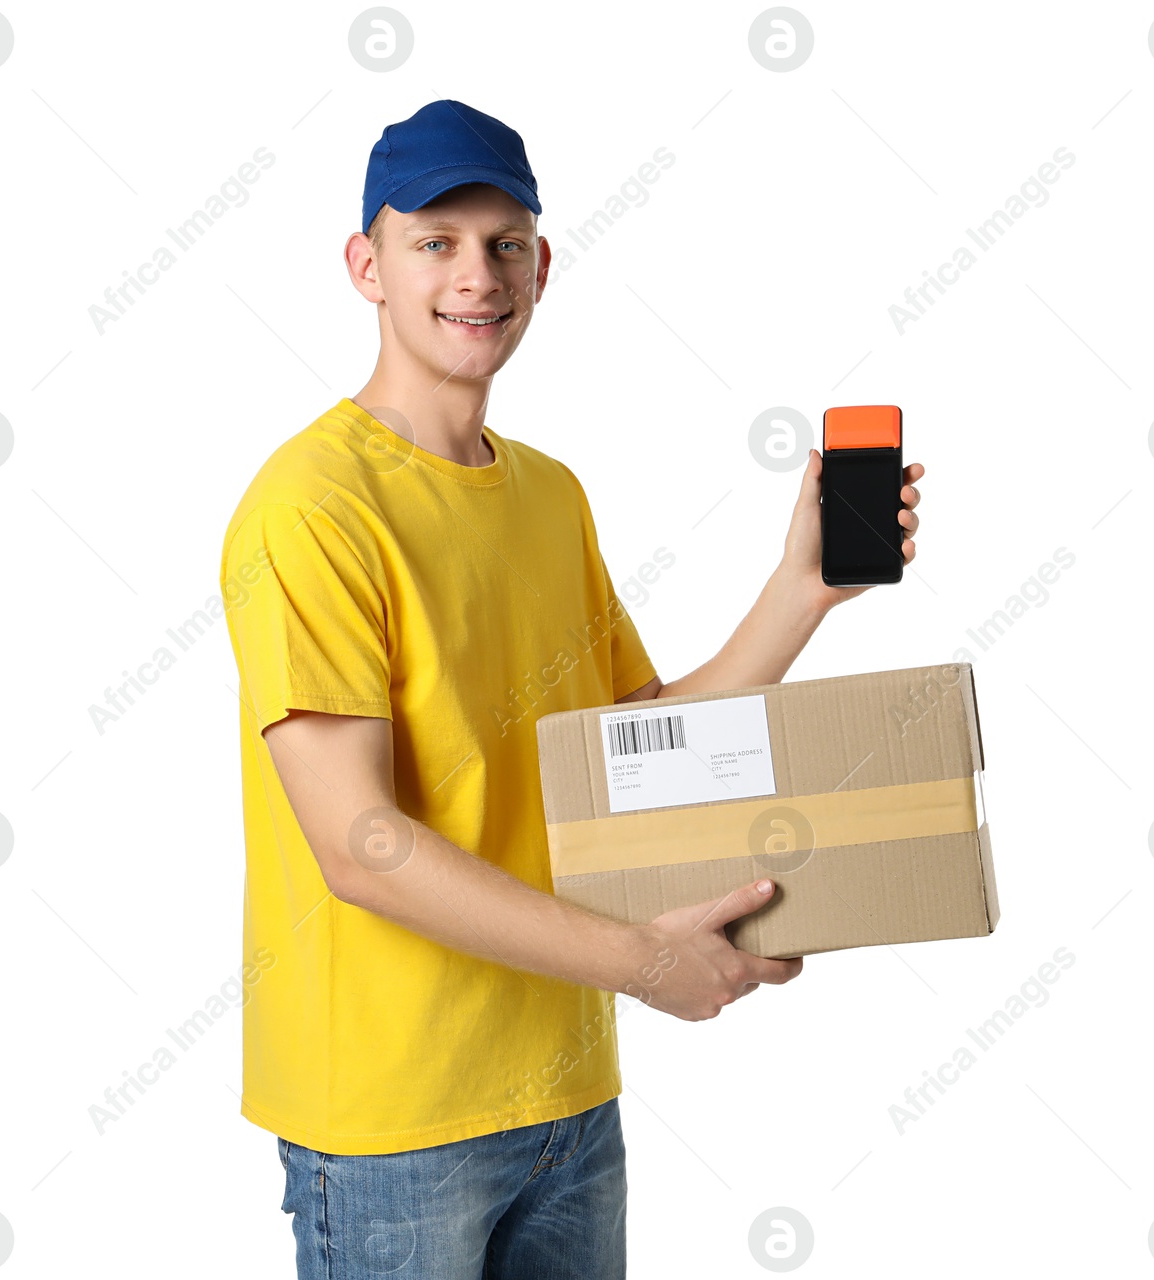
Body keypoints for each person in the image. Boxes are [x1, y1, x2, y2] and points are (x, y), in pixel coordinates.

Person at [218, 98, 924, 1280]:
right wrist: (646, 963)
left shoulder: (547, 495)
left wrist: (800, 588)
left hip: (565, 1093)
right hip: (394, 1121)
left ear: (541, 265)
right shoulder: (312, 505)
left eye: (502, 242)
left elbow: (634, 750)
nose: (473, 275)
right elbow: (360, 842)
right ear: (366, 266)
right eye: (432, 241)